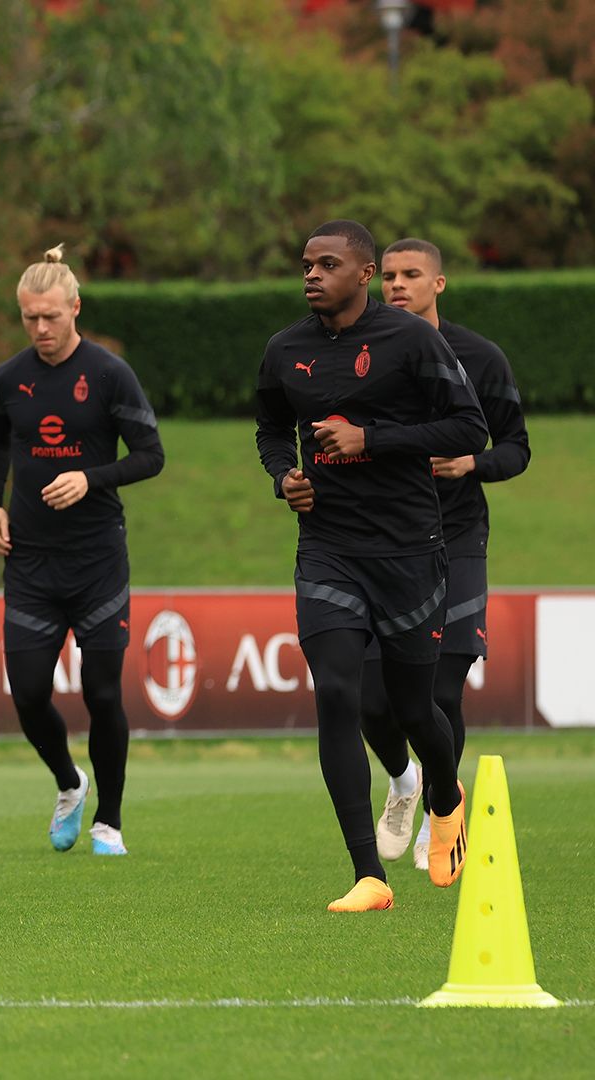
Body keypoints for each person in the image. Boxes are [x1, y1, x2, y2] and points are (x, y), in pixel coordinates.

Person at [253, 219, 485, 912]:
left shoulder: (412, 341)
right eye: (305, 264)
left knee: (417, 708)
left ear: (363, 274)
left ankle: (445, 798)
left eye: (327, 264)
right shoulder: (284, 349)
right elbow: (269, 427)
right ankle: (369, 877)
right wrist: (282, 476)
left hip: (410, 549)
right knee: (337, 695)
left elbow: (469, 429)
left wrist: (371, 439)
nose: (311, 275)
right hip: (327, 546)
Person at [0, 245, 163, 857]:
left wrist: (92, 477)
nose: (40, 329)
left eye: (51, 317)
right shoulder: (9, 378)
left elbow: (150, 455)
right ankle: (68, 783)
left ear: (75, 308)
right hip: (30, 561)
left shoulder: (110, 374)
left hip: (96, 561)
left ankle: (109, 819)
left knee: (103, 694)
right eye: (30, 318)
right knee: (28, 694)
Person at [363, 238, 530, 869]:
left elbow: (516, 447)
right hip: (381, 540)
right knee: (373, 702)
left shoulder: (480, 358)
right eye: (391, 276)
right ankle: (405, 779)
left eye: (412, 275)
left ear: (440, 284)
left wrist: (472, 462)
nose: (398, 285)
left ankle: (443, 809)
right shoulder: (359, 353)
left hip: (457, 539)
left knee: (442, 690)